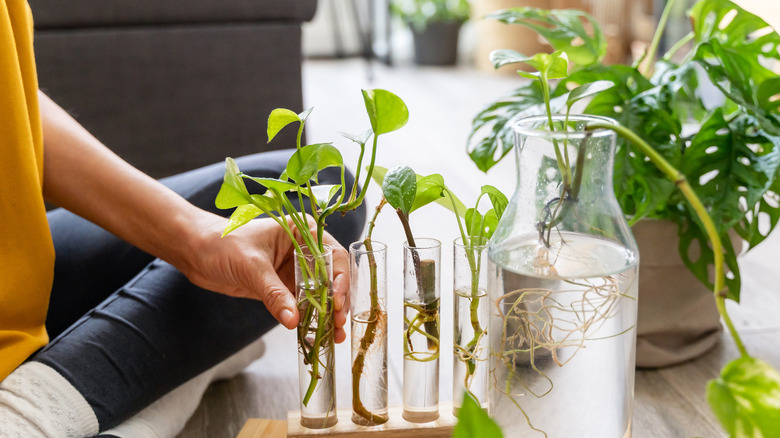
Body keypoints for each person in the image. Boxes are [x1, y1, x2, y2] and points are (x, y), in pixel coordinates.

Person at [0, 1, 365, 436]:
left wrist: (201, 238)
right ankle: (31, 416)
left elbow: (15, 111)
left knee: (320, 198)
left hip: (19, 255)